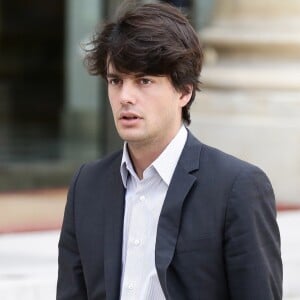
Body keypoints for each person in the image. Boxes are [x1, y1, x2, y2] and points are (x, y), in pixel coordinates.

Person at [57, 2, 282, 300]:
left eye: (144, 81)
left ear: (184, 91)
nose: (125, 97)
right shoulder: (88, 184)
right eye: (116, 81)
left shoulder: (237, 188)